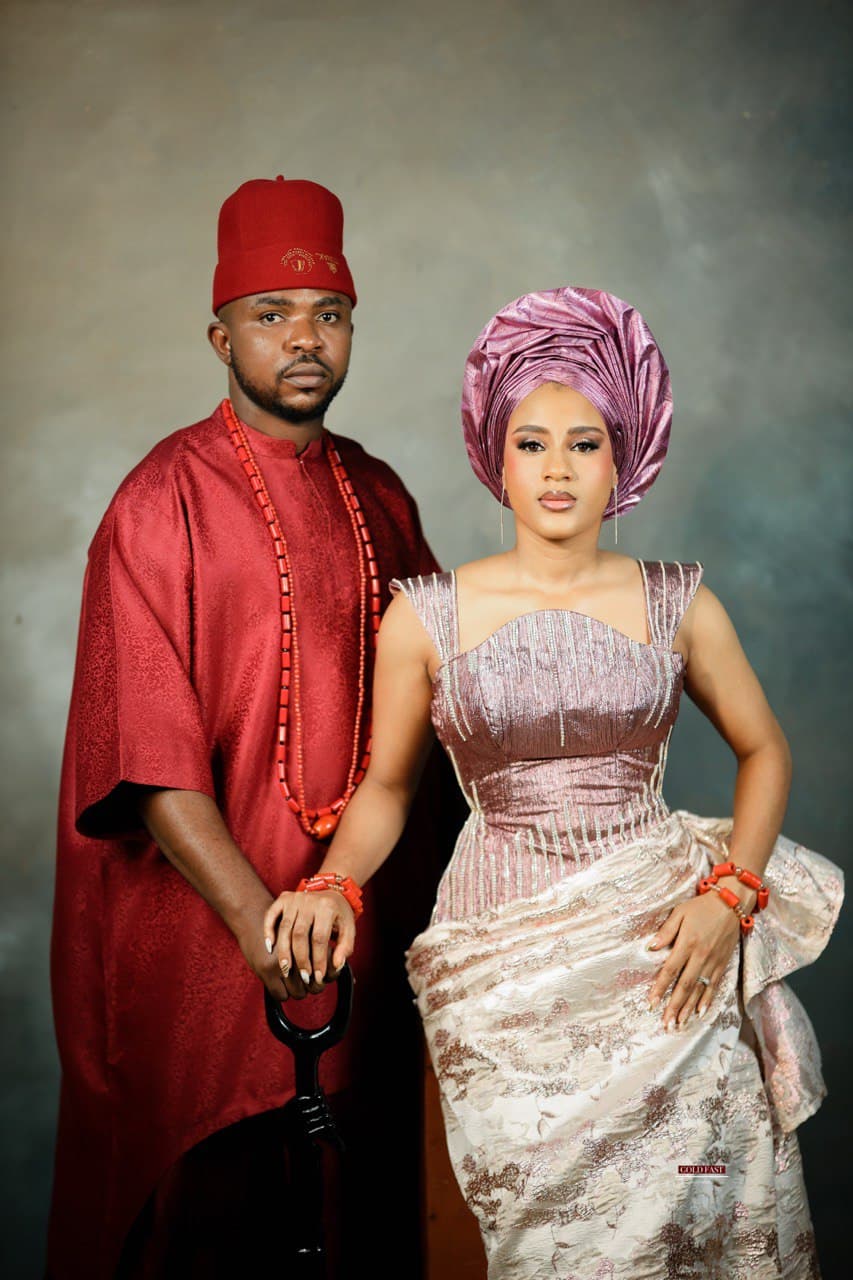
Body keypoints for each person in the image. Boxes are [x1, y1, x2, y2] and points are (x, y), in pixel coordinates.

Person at [266, 287, 844, 1278]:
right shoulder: (426, 615)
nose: (557, 469)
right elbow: (387, 790)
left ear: (625, 455)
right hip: (498, 955)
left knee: (697, 1193)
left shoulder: (678, 600)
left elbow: (766, 750)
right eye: (531, 442)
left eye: (583, 442)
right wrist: (331, 881)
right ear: (495, 454)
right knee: (538, 1235)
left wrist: (731, 897)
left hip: (664, 942)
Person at [47, 176, 453, 1278]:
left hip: (354, 931)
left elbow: (442, 720)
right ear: (219, 333)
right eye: (270, 316)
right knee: (214, 1231)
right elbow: (146, 755)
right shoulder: (158, 499)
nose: (303, 339)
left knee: (357, 1223)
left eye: (327, 314)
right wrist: (259, 927)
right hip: (209, 955)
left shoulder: (379, 495)